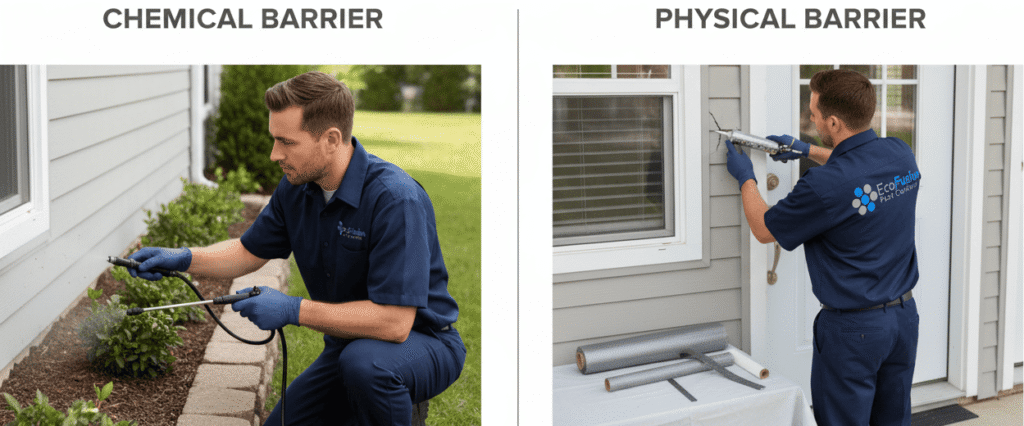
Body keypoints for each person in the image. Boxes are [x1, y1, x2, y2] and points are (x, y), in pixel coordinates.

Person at [126, 71, 466, 426]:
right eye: (275, 140)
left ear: (331, 139)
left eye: (286, 142)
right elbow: (247, 252)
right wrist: (182, 258)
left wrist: (292, 309)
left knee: (368, 367)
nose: (275, 154)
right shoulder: (297, 188)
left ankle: (396, 404)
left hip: (421, 343)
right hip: (349, 346)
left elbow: (395, 323)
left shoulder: (395, 200)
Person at [725, 69, 920, 426]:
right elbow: (856, 170)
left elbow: (764, 229)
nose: (811, 119)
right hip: (903, 320)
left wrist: (746, 177)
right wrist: (806, 150)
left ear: (833, 122)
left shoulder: (823, 186)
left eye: (814, 114)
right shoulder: (900, 154)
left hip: (854, 332)